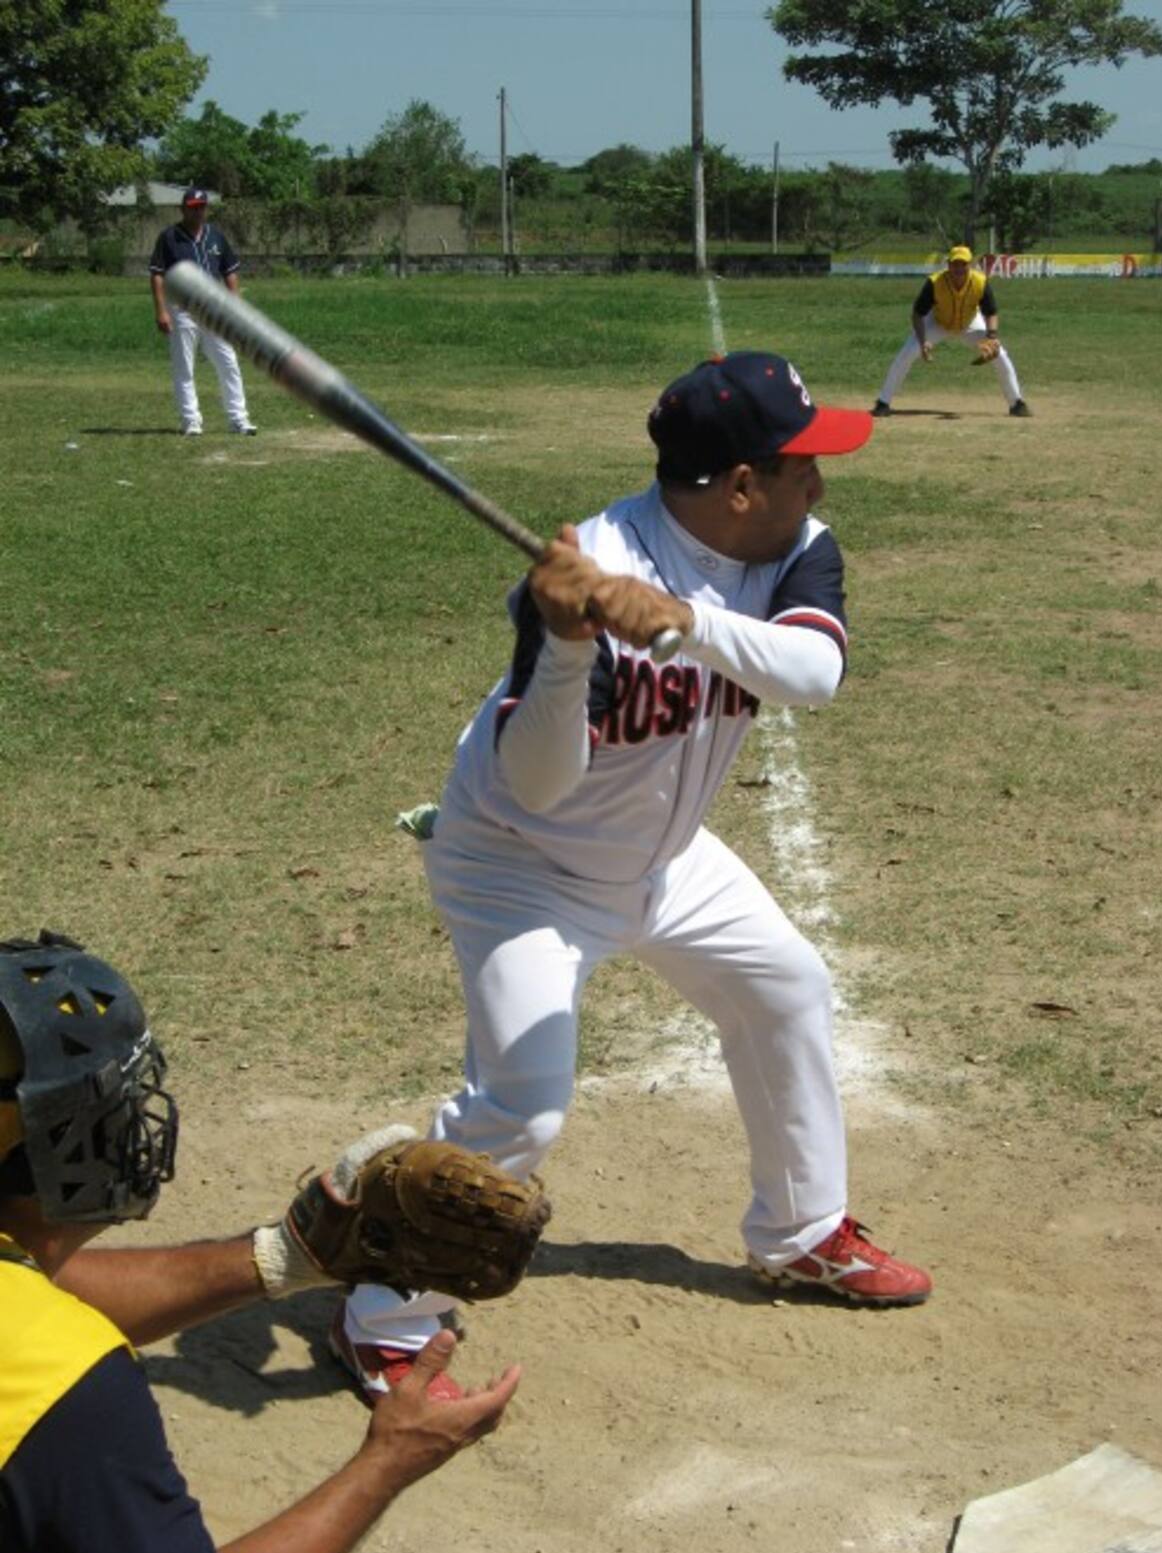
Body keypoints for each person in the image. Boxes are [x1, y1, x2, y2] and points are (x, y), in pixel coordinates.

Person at [332, 349, 932, 1403]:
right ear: (741, 485)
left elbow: (816, 675)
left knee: (783, 986)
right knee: (523, 1102)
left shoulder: (797, 547)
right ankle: (384, 1304)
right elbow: (539, 781)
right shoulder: (590, 567)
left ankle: (799, 1233)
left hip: (666, 857)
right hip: (523, 867)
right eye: (801, 465)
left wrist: (682, 621)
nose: (820, 484)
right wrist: (569, 645)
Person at [0, 931, 520, 1553]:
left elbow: (33, 1297)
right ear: (59, 1148)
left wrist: (283, 1257)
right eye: (113, 1107)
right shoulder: (66, 1389)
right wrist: (390, 1460)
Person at [870, 244, 1031, 418]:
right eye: (955, 264)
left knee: (1000, 355)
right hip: (937, 322)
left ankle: (1017, 403)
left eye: (963, 264)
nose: (959, 268)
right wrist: (923, 341)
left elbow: (991, 312)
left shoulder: (980, 282)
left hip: (969, 323)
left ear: (970, 265)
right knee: (907, 353)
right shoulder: (935, 282)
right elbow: (918, 314)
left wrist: (991, 337)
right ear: (948, 265)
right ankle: (883, 402)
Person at [150, 186, 258, 438]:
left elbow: (229, 272)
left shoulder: (216, 236)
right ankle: (191, 421)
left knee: (227, 361)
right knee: (184, 366)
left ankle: (238, 419)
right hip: (182, 308)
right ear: (183, 209)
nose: (197, 212)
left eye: (201, 207)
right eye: (192, 207)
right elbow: (157, 275)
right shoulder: (169, 238)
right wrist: (161, 311)